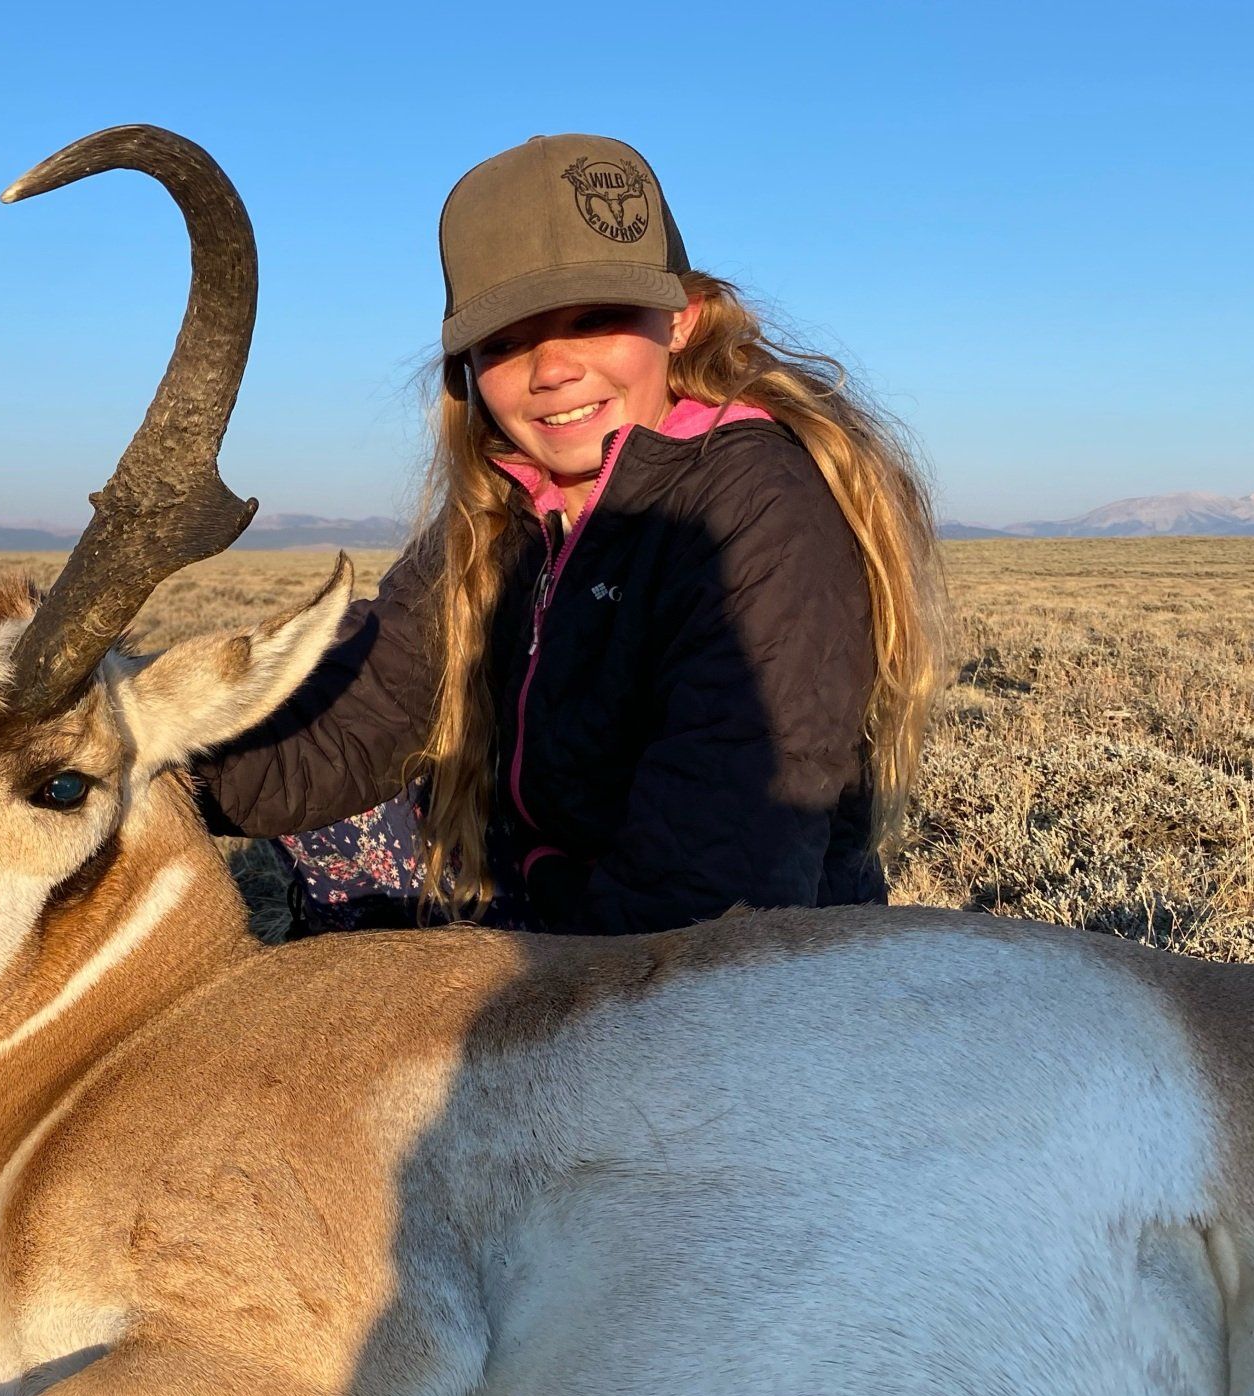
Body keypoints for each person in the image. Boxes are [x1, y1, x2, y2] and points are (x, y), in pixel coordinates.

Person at [195, 133, 946, 936]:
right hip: (559, 905)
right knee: (333, 809)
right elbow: (351, 724)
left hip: (716, 966)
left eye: (596, 319)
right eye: (508, 341)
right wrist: (129, 740)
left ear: (682, 320)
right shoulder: (497, 514)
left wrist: (533, 1006)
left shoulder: (759, 509)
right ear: (469, 370)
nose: (552, 370)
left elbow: (720, 872)